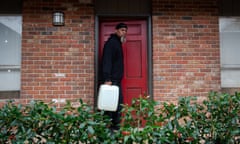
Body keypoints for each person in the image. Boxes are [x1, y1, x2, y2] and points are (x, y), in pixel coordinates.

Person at [101, 22, 128, 131]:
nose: (124, 33)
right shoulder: (111, 43)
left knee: (117, 104)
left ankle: (114, 127)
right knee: (112, 104)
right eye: (122, 30)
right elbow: (107, 61)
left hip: (116, 80)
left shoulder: (117, 43)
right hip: (112, 81)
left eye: (125, 31)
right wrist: (107, 79)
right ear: (116, 30)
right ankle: (111, 128)